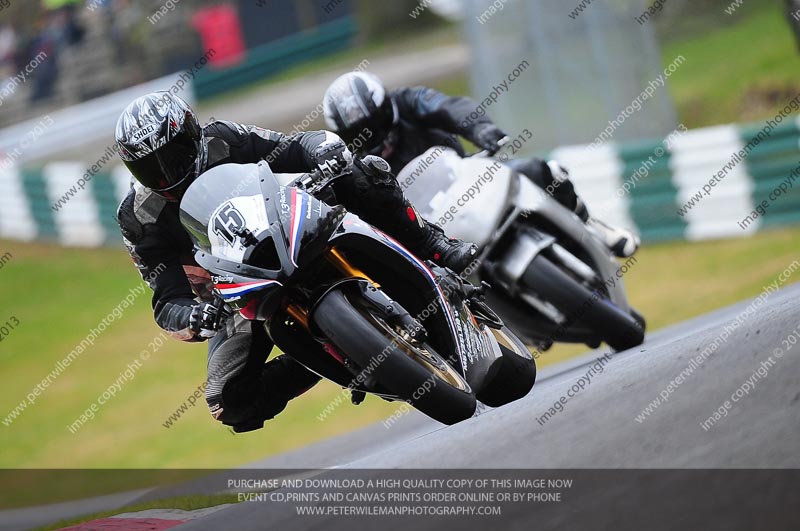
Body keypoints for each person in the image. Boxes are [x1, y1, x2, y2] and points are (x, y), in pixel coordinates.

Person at [114, 92, 476, 432]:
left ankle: (432, 243)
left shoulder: (224, 138)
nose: (167, 173)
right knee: (228, 401)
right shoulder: (139, 219)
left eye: (173, 155)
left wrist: (324, 150)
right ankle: (325, 355)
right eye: (151, 169)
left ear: (193, 133)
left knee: (358, 171)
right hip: (236, 292)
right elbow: (166, 301)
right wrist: (193, 316)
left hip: (292, 226)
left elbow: (294, 146)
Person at [322, 72, 639, 258]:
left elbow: (449, 107)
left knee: (544, 171)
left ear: (385, 107)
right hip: (425, 225)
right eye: (362, 133)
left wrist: (480, 128)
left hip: (467, 176)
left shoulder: (407, 101)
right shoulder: (346, 161)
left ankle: (593, 226)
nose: (377, 136)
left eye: (376, 124)